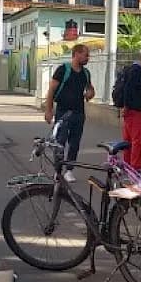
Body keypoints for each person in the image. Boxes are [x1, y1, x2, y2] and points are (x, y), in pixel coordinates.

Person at [44, 44, 95, 183]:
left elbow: (90, 89)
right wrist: (48, 110)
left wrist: (90, 93)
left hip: (79, 113)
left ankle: (69, 170)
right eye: (86, 55)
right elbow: (51, 90)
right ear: (77, 54)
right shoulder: (63, 70)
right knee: (60, 143)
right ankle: (58, 171)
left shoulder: (86, 73)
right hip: (63, 112)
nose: (88, 58)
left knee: (75, 143)